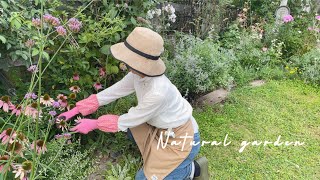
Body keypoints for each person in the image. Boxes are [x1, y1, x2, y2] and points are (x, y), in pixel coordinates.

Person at [57, 27, 209, 180]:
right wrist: (77, 108)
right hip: (158, 126)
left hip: (181, 138)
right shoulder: (138, 74)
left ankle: (190, 169)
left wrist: (95, 123)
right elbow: (115, 91)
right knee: (131, 130)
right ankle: (158, 155)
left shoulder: (158, 92)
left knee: (143, 178)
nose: (123, 62)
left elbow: (129, 119)